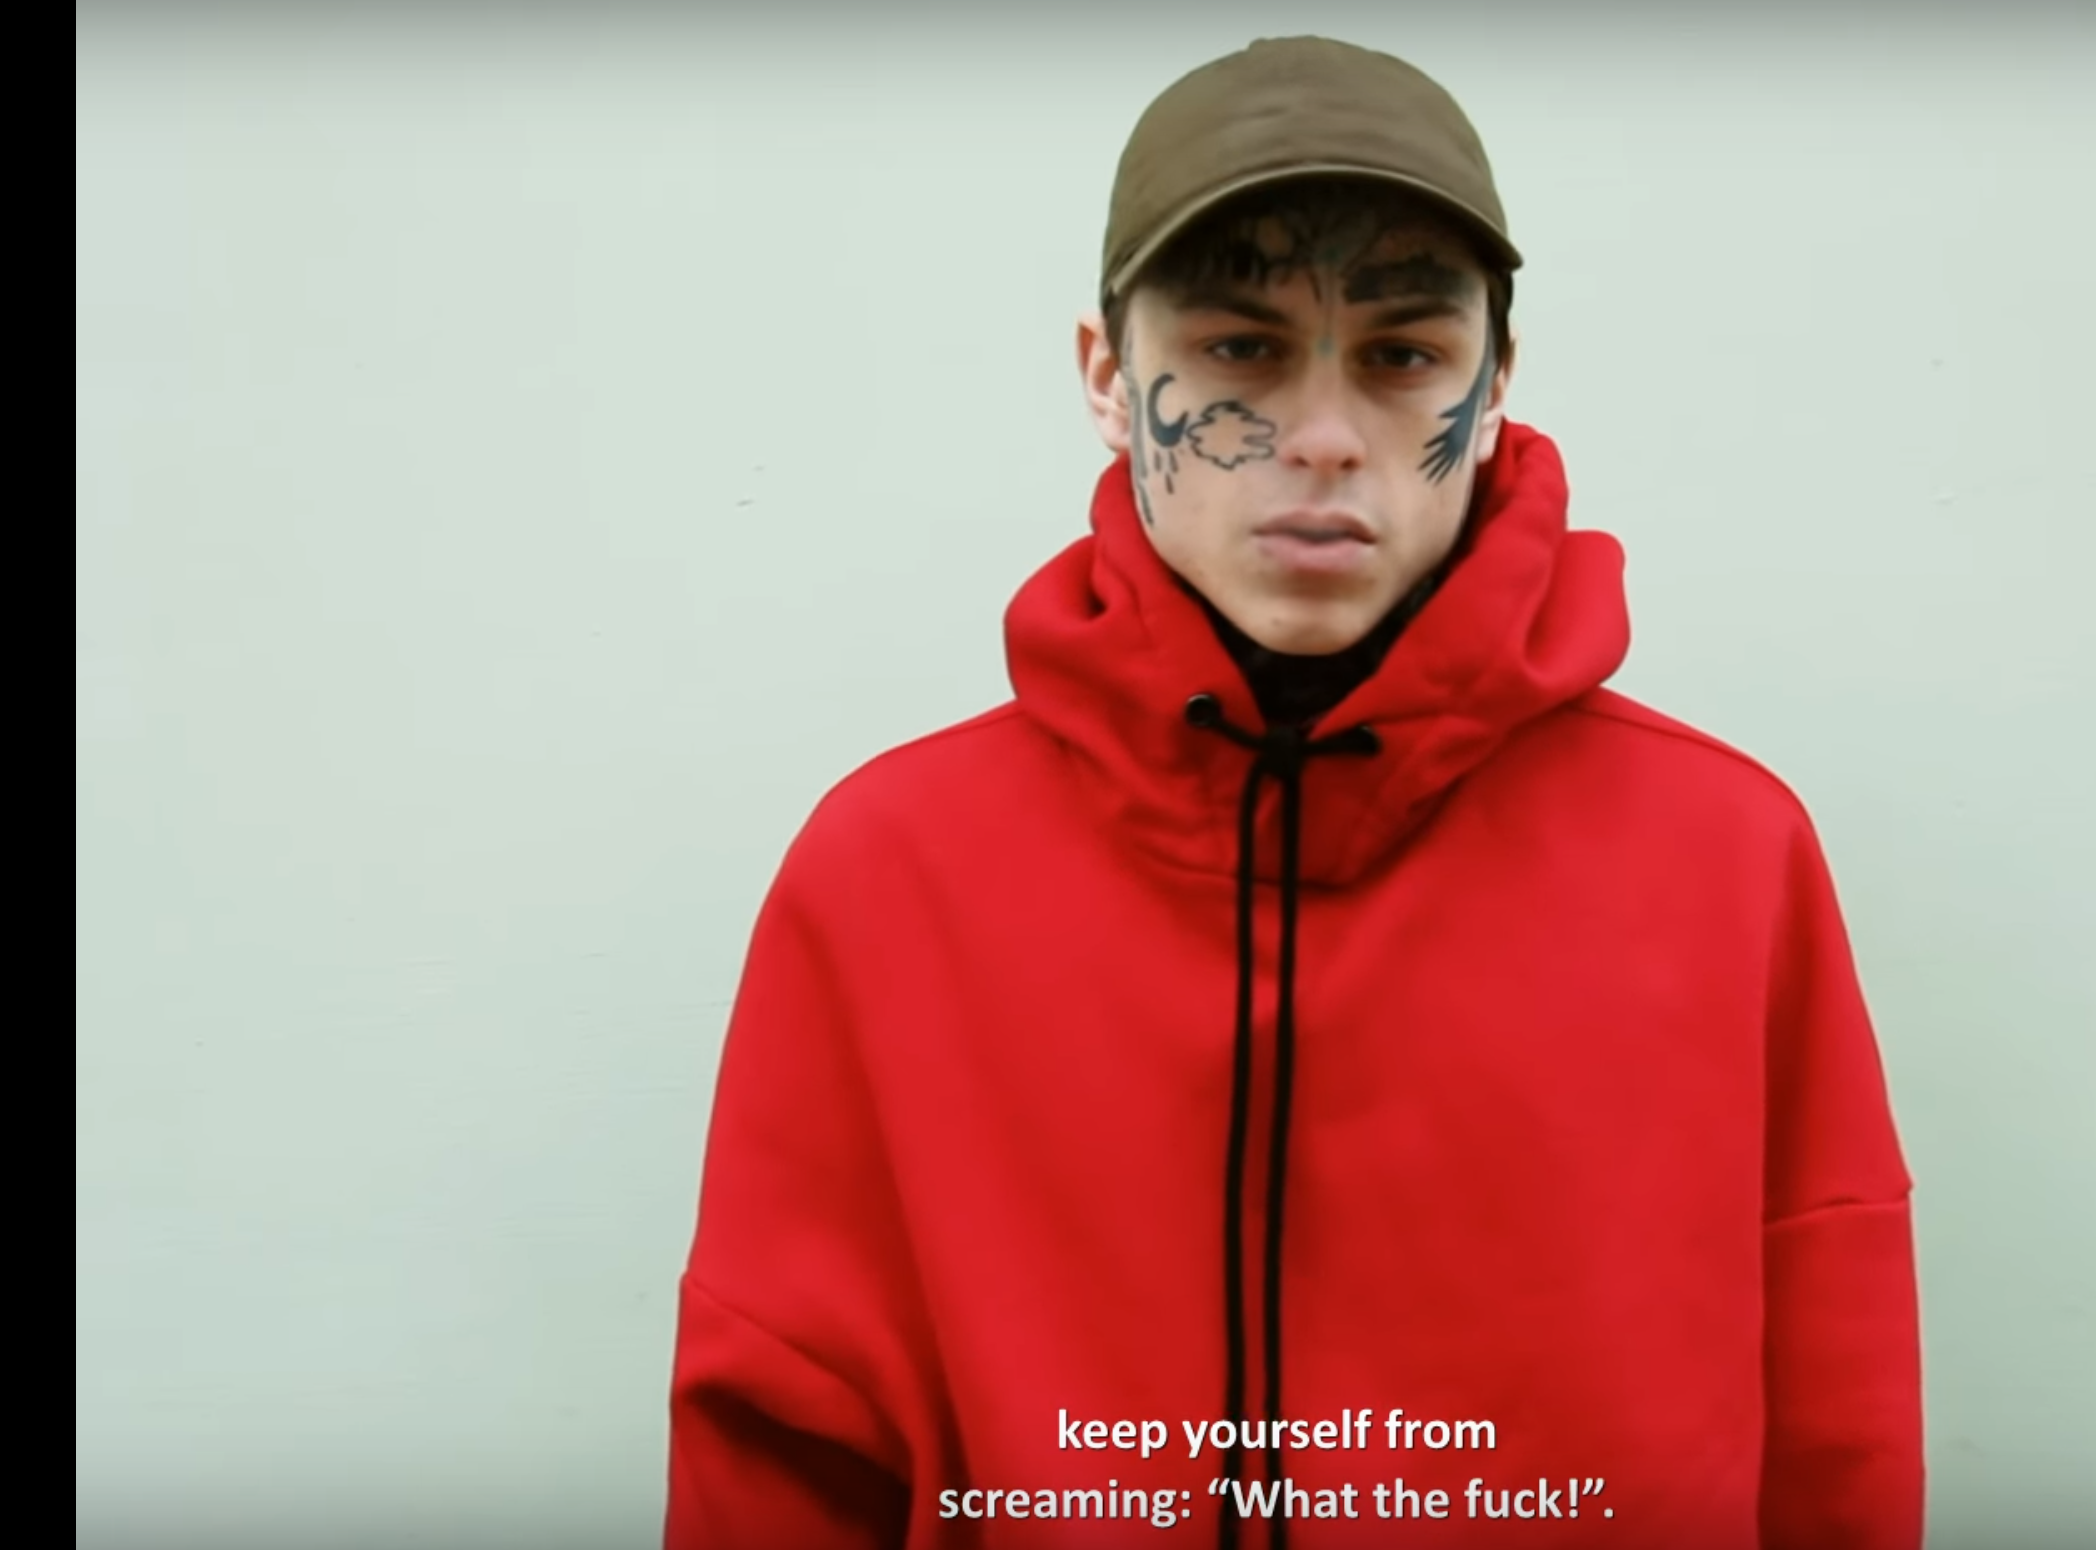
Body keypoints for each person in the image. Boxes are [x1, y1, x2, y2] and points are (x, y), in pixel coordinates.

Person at [665, 34, 1924, 1550]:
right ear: (1107, 377)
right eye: (1240, 347)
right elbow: (781, 1442)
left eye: (1401, 356)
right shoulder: (888, 874)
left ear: (1495, 385)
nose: (1323, 438)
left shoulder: (1726, 858)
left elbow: (1836, 1447)